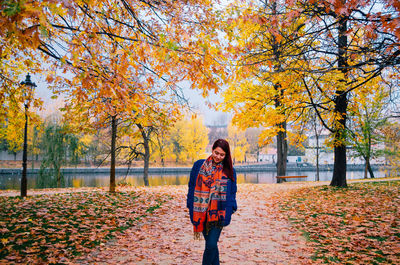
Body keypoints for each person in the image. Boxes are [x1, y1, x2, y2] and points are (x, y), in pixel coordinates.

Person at [186, 139, 238, 265]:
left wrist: (231, 208)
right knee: (212, 245)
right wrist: (190, 205)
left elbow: (232, 192)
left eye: (222, 155)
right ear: (212, 150)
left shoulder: (229, 170)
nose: (218, 157)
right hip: (201, 212)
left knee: (210, 245)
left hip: (219, 213)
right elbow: (191, 186)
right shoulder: (198, 165)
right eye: (216, 153)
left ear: (226, 155)